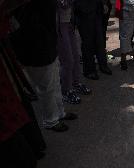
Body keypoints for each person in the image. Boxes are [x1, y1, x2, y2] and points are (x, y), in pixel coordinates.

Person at [11, 0, 77, 132]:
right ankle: (51, 120)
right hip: (35, 46)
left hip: (48, 41)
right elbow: (23, 23)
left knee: (54, 82)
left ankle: (59, 113)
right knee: (45, 86)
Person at [57, 0, 91, 104]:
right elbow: (63, 5)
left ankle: (76, 83)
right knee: (68, 60)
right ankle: (66, 91)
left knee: (76, 57)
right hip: (59, 25)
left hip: (69, 24)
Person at [74, 0, 112, 80]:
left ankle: (102, 65)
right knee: (87, 43)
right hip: (83, 11)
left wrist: (104, 3)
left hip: (97, 9)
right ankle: (89, 70)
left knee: (100, 40)